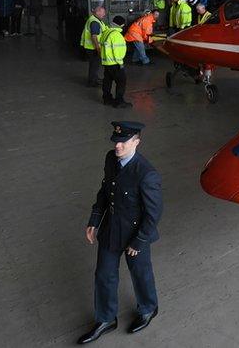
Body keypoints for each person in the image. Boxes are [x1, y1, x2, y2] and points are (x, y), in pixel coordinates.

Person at [78, 121, 161, 344]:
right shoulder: (111, 159)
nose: (118, 147)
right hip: (111, 228)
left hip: (135, 233)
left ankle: (148, 308)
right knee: (104, 275)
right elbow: (106, 190)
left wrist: (139, 241)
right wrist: (95, 219)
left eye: (123, 142)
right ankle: (105, 318)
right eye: (116, 142)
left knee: (140, 273)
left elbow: (153, 214)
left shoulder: (146, 174)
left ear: (137, 142)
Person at [100, 15, 131, 108]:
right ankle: (119, 102)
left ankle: (107, 99)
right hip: (114, 63)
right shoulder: (117, 35)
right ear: (121, 25)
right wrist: (121, 64)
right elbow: (117, 52)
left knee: (107, 81)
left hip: (106, 63)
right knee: (121, 81)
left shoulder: (106, 32)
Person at [81, 6, 108, 87]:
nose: (104, 14)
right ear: (98, 12)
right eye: (103, 12)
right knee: (94, 65)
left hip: (91, 47)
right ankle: (92, 82)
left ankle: (95, 78)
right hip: (93, 48)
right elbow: (94, 36)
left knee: (94, 65)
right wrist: (98, 48)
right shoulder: (95, 22)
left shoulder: (95, 19)